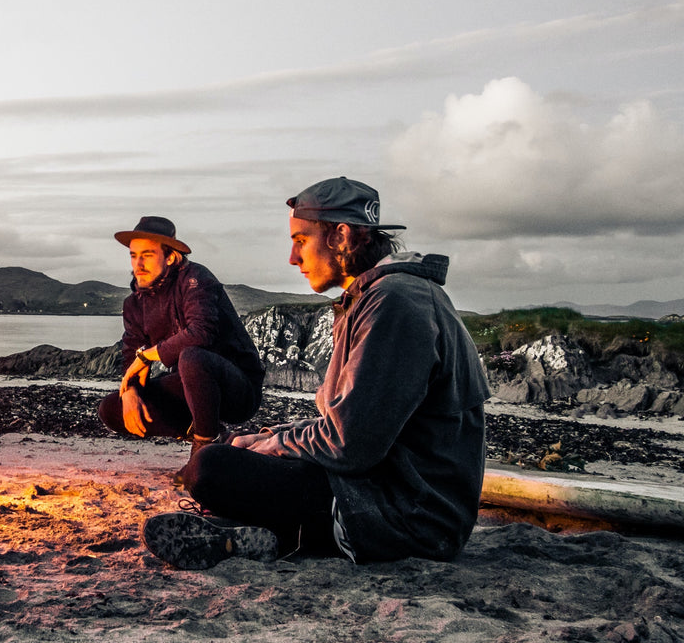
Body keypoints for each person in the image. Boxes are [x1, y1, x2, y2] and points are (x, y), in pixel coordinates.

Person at [142, 177, 489, 570]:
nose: (293, 257)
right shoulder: (378, 297)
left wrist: (274, 447)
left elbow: (349, 443)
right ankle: (261, 534)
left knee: (210, 469)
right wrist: (271, 436)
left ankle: (271, 531)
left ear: (341, 236)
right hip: (383, 490)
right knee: (235, 448)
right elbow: (349, 421)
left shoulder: (395, 303)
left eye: (301, 241)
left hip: (410, 516)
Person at [97, 216, 266, 471]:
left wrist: (148, 356)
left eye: (147, 255)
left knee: (192, 357)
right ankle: (216, 436)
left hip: (236, 387)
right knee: (112, 408)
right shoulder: (134, 304)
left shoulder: (195, 279)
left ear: (171, 257)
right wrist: (130, 391)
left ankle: (204, 451)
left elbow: (201, 332)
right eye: (133, 255)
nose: (138, 264)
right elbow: (131, 352)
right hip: (191, 390)